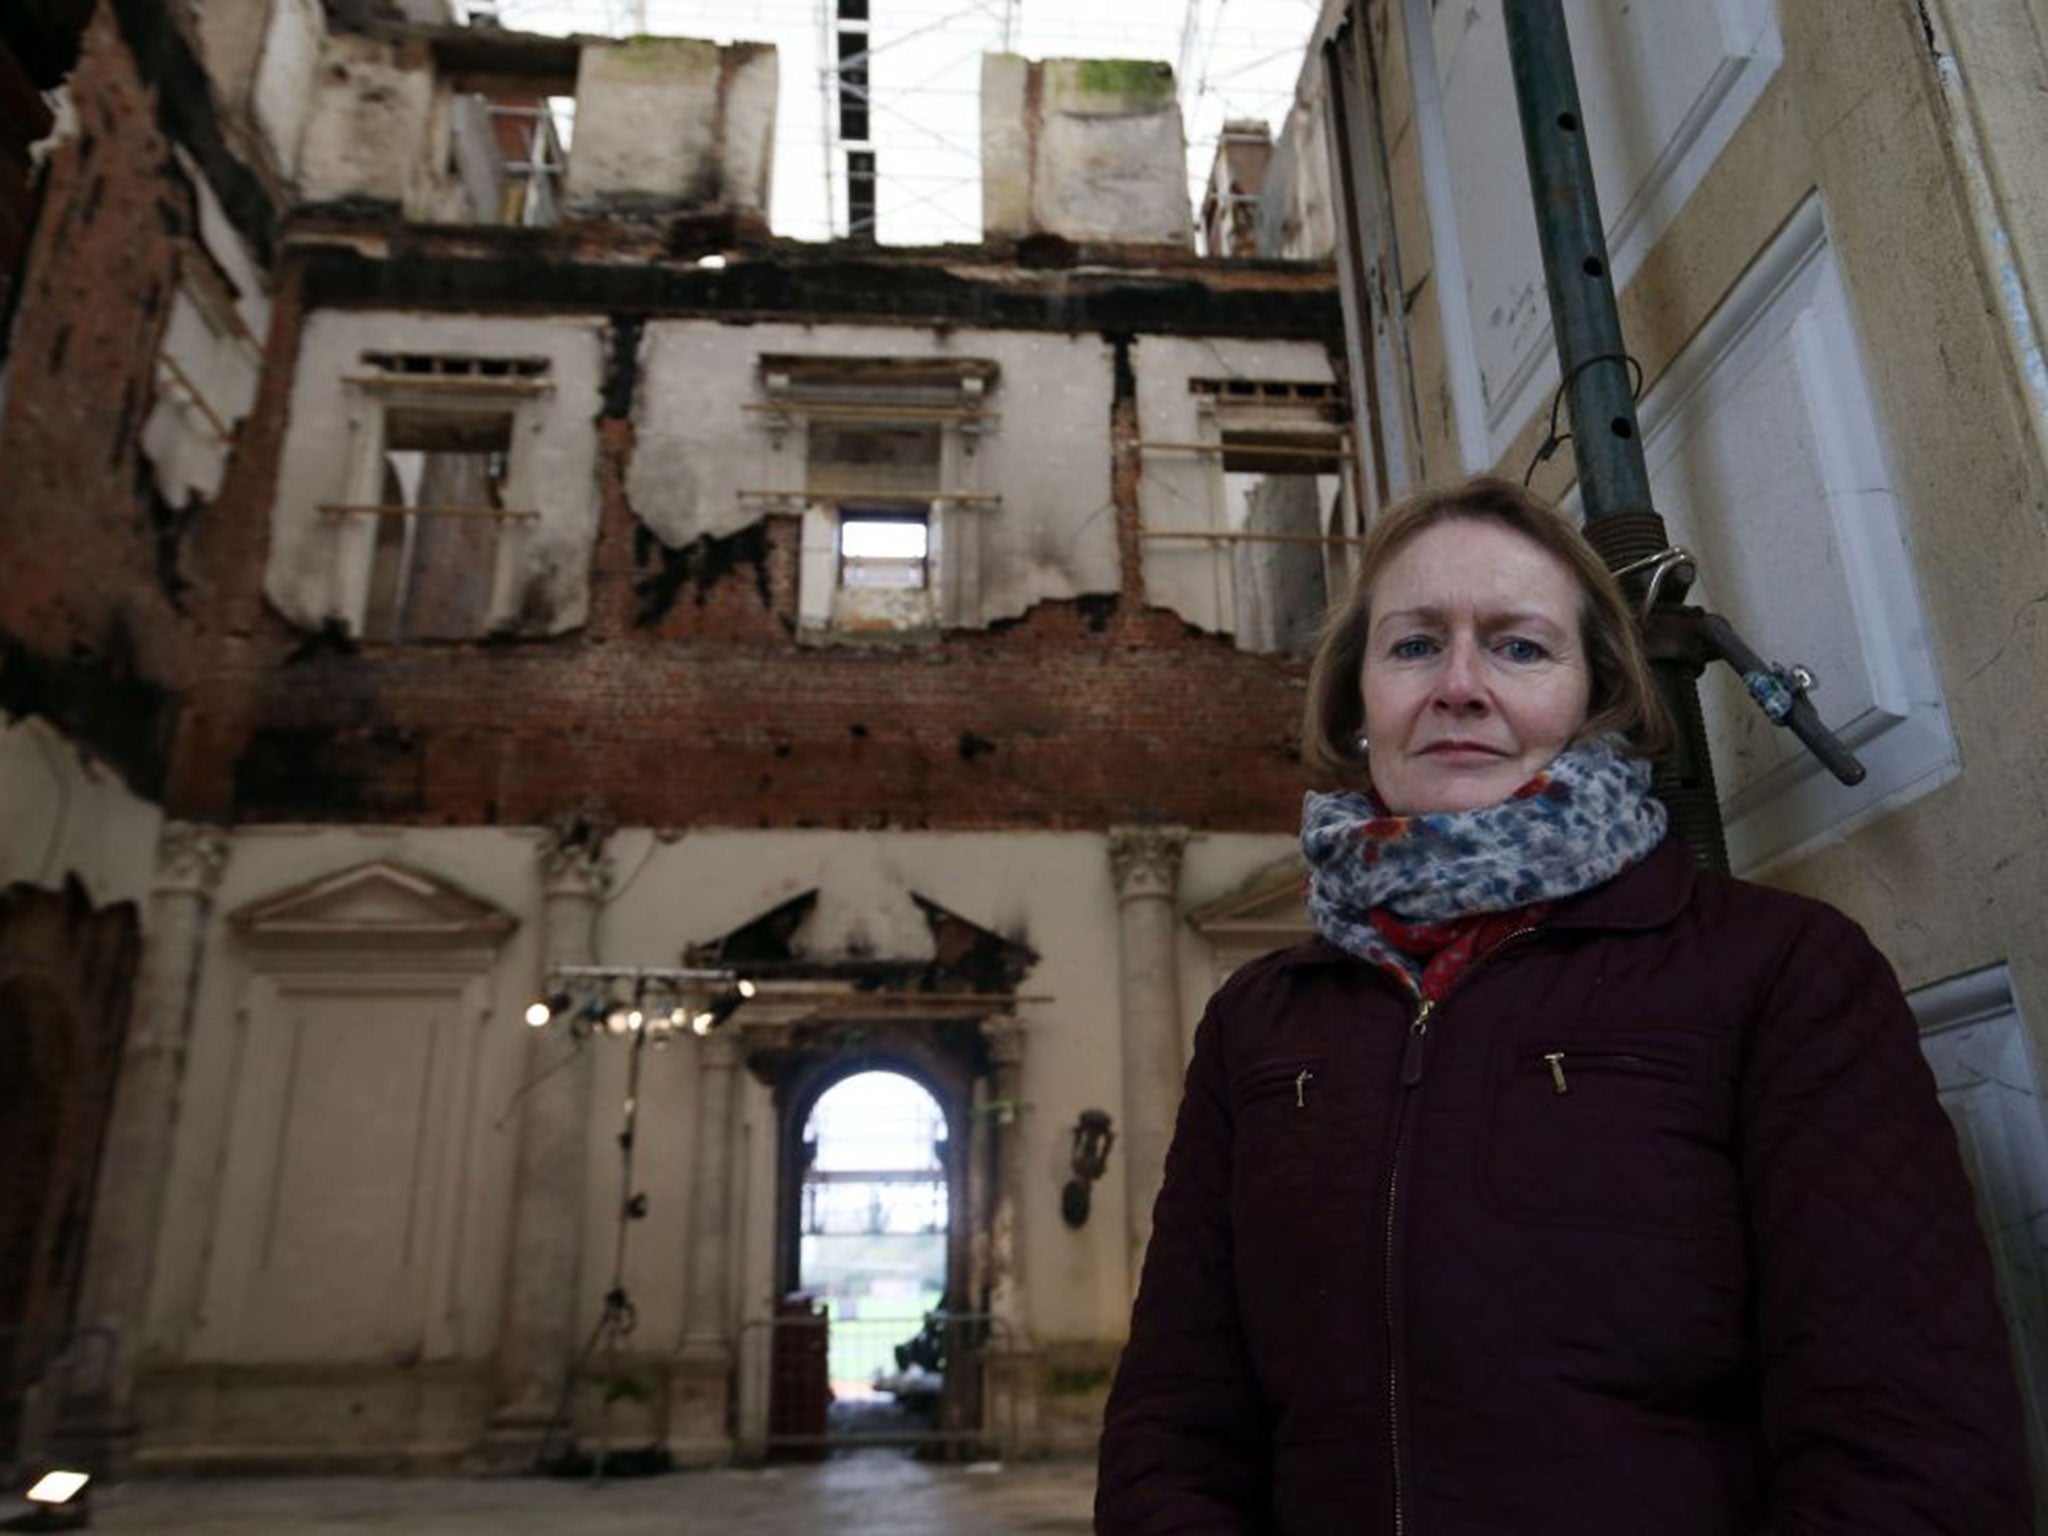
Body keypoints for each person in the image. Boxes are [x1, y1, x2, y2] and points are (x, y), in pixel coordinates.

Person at [1094, 476, 2032, 1534]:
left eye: (1518, 646)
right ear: (1354, 705)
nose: (1457, 685)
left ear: (1595, 699)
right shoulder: (1261, 1021)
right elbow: (1174, 1419)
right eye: (1411, 646)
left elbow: (1905, 1441)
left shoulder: (1779, 975)